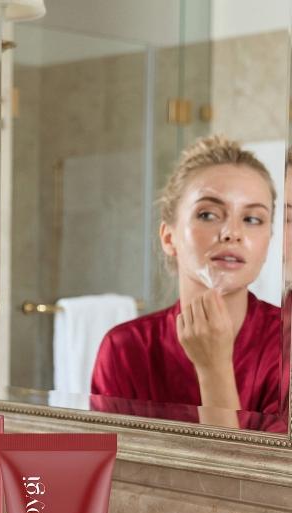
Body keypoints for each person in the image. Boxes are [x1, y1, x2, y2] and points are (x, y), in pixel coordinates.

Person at [90, 135, 282, 429]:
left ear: (268, 243)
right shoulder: (124, 349)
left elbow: (238, 462)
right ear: (169, 237)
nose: (232, 232)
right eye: (208, 214)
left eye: (252, 219)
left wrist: (214, 368)